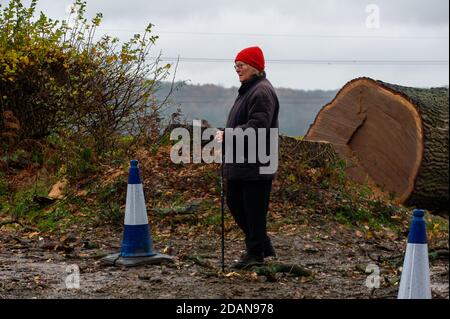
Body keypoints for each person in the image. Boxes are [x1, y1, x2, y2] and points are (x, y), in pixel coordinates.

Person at [215, 46, 280, 269]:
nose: (237, 69)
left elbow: (258, 127)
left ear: (254, 67)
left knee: (253, 210)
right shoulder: (249, 90)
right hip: (242, 163)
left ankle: (256, 254)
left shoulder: (261, 92)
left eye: (241, 65)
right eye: (236, 65)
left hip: (256, 164)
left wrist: (228, 134)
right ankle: (262, 245)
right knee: (236, 204)